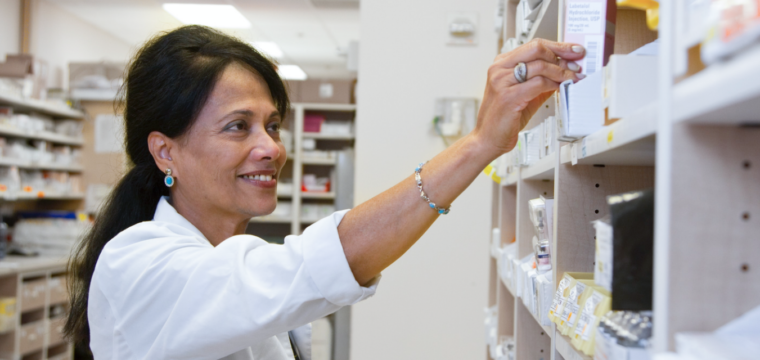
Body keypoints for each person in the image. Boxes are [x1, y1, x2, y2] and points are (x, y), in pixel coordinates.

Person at [64, 25, 584, 360]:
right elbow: (314, 265)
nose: (269, 147)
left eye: (272, 125)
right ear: (166, 152)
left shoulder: (232, 259)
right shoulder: (137, 265)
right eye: (237, 127)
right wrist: (477, 146)